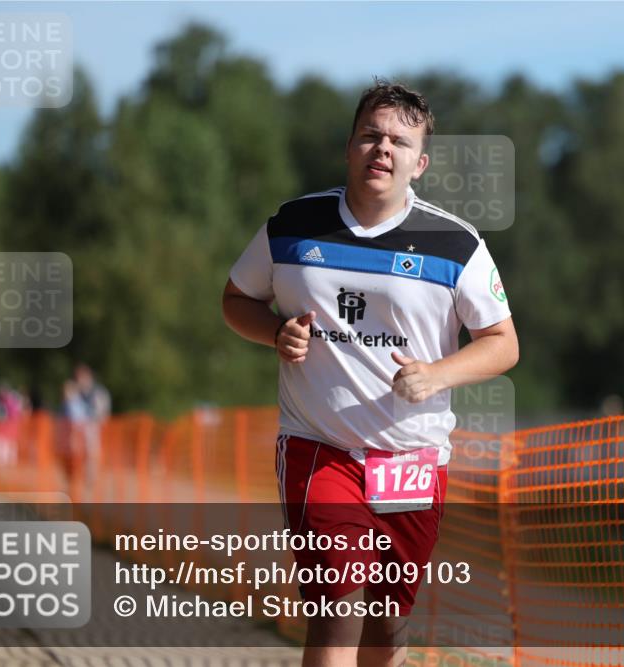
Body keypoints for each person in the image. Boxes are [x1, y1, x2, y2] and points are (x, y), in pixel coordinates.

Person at [222, 79, 519, 667]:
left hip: (411, 458)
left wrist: (436, 375)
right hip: (319, 446)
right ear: (349, 146)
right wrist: (274, 333)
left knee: (387, 623)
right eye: (370, 135)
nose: (383, 149)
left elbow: (502, 343)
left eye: (399, 143)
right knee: (339, 610)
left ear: (419, 163)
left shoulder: (455, 243)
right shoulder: (292, 227)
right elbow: (236, 300)